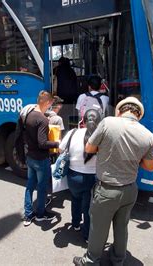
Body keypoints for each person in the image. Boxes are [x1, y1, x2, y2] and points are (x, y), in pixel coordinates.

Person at [73, 97, 153, 266]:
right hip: (130, 190)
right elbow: (150, 166)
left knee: (98, 228)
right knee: (121, 226)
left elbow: (89, 148)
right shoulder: (148, 135)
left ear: (120, 111)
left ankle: (90, 261)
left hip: (107, 190)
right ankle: (118, 260)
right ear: (138, 115)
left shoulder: (108, 123)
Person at [59, 109, 102, 242]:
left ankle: (76, 224)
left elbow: (61, 148)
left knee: (75, 199)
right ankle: (87, 235)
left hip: (73, 176)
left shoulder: (72, 132)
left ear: (82, 120)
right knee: (89, 207)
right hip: (92, 178)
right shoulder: (101, 137)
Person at [23, 91, 60, 226]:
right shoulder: (43, 120)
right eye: (51, 103)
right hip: (40, 159)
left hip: (30, 157)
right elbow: (43, 143)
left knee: (29, 186)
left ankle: (28, 215)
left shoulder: (28, 115)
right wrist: (57, 144)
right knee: (42, 187)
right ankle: (40, 214)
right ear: (48, 103)